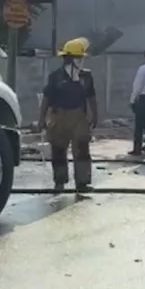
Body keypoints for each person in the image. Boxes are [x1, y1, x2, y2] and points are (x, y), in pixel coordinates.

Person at [39, 38, 98, 193]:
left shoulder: (86, 77)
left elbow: (91, 97)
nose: (81, 61)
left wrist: (95, 116)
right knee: (58, 151)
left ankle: (82, 182)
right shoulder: (55, 77)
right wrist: (41, 119)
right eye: (78, 58)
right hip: (59, 117)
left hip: (79, 116)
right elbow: (46, 98)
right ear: (69, 58)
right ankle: (60, 181)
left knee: (82, 149)